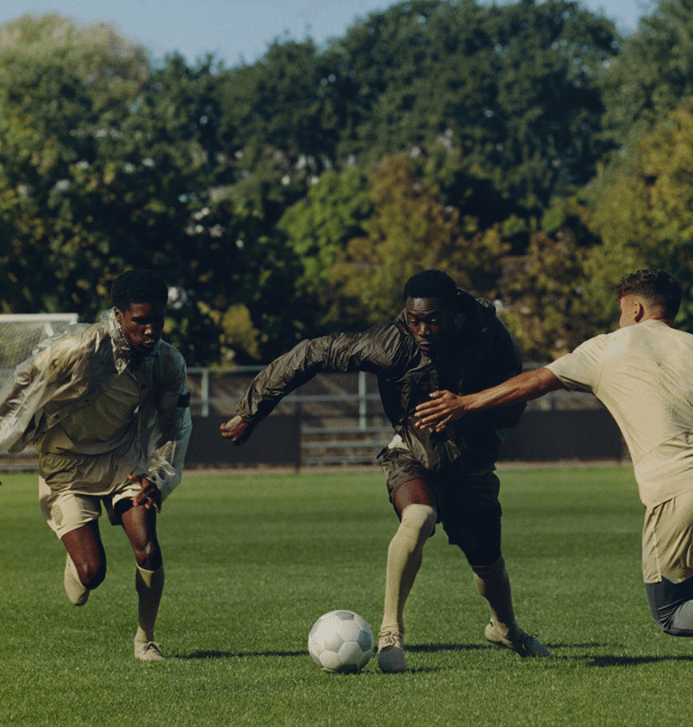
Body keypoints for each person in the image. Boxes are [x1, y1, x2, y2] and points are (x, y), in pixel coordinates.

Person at [415, 268, 693, 668]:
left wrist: (465, 403)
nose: (619, 318)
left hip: (676, 489)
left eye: (620, 310)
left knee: (670, 612)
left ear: (634, 308)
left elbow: (535, 381)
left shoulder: (607, 348)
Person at [220, 268, 549, 672]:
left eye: (433, 319)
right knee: (419, 515)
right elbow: (310, 353)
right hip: (411, 452)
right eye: (414, 320)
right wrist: (251, 412)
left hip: (471, 462)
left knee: (488, 563)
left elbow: (518, 390)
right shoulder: (389, 344)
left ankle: (506, 629)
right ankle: (391, 631)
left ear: (453, 312)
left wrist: (470, 413)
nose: (423, 329)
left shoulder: (488, 334)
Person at [0, 269, 192, 661]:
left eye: (158, 320)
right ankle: (78, 561)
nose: (151, 330)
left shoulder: (167, 362)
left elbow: (174, 426)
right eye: (141, 320)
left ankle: (146, 641)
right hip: (65, 464)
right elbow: (19, 391)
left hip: (123, 459)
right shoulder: (78, 347)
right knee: (92, 574)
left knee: (147, 547)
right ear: (119, 315)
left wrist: (159, 476)